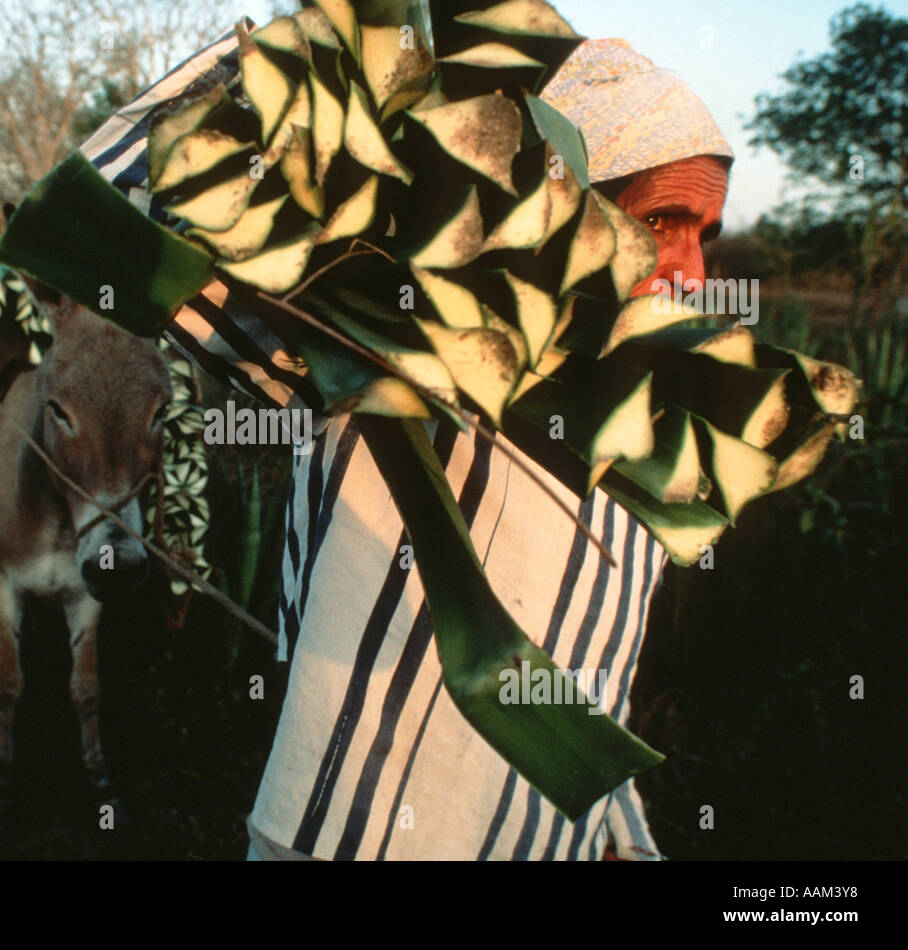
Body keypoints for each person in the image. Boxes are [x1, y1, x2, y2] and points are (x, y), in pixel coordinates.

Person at [76, 26, 733, 859]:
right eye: (663, 220)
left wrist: (616, 824)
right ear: (559, 211)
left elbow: (588, 669)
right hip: (352, 834)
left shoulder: (642, 431)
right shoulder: (384, 352)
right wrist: (343, 48)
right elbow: (111, 197)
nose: (693, 275)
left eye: (705, 233)